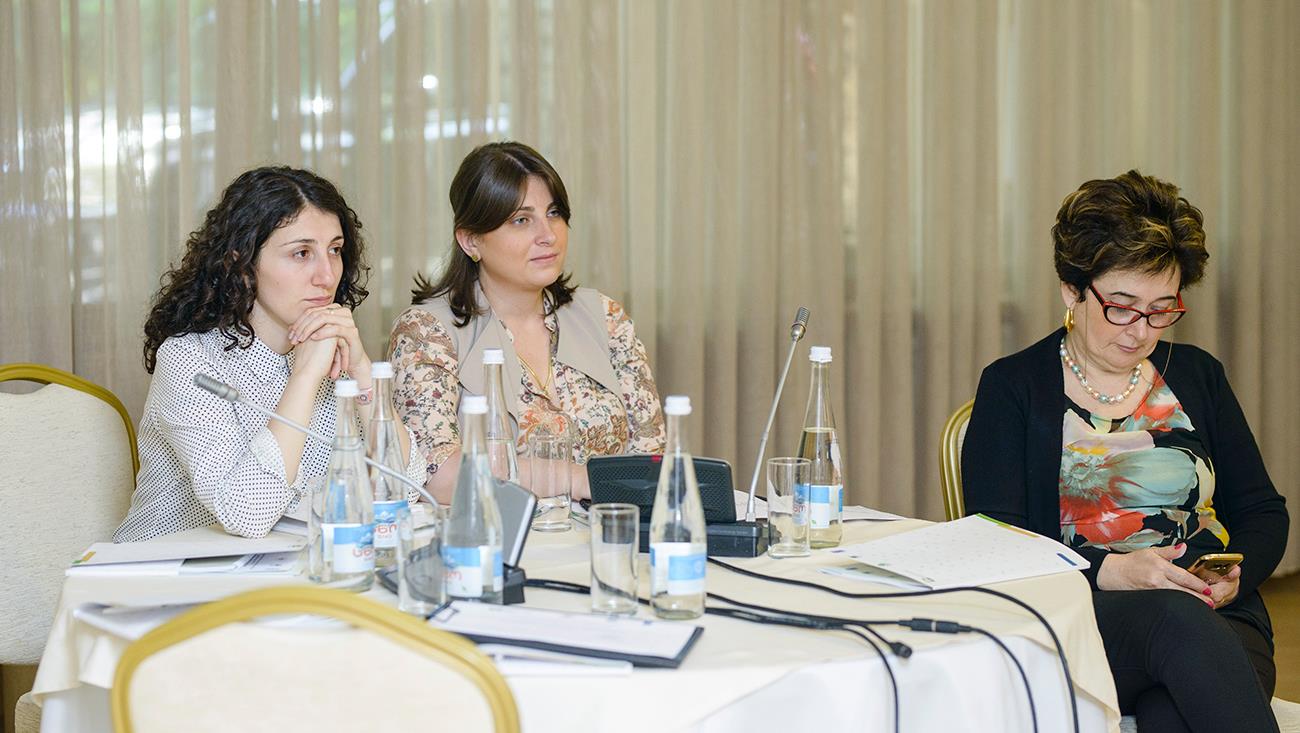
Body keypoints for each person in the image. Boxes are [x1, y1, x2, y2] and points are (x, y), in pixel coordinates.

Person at [963, 170, 1288, 732]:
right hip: (1082, 615)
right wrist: (1111, 570)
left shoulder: (1198, 375)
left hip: (1216, 613)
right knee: (1174, 623)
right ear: (1072, 289)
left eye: (1161, 309)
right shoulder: (1013, 386)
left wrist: (1235, 574)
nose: (1140, 331)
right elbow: (999, 541)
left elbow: (1262, 511)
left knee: (1172, 714)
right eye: (1121, 305)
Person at [115, 167, 425, 542]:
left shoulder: (331, 349)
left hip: (281, 566)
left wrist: (361, 371)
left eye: (334, 250)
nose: (327, 276)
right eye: (301, 253)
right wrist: (305, 378)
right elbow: (248, 514)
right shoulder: (188, 360)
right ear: (243, 264)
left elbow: (406, 488)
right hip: (161, 566)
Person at [389, 141, 665, 503]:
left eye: (554, 213)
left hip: (610, 528)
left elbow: (650, 459)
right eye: (521, 220)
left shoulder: (605, 317)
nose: (548, 235)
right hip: (500, 533)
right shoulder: (426, 333)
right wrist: (576, 478)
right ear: (471, 241)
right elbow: (436, 476)